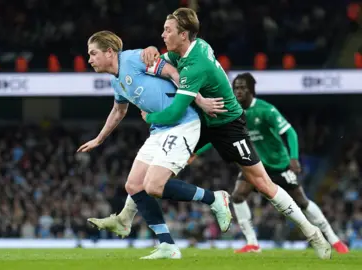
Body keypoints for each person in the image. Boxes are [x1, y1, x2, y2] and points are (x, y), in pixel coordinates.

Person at [126, 8, 331, 259]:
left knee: (263, 184)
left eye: (168, 30)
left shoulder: (195, 64)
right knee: (153, 166)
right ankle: (126, 218)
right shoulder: (192, 47)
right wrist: (150, 50)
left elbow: (174, 113)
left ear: (184, 35)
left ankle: (313, 234)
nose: (162, 34)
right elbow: (162, 62)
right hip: (201, 123)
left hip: (227, 125)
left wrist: (150, 117)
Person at [78, 30, 231, 259]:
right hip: (159, 130)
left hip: (182, 124)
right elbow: (119, 111)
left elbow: (172, 72)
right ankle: (167, 245)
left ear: (109, 52)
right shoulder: (116, 80)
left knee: (154, 187)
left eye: (93, 53)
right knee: (134, 186)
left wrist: (201, 101)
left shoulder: (132, 58)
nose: (90, 59)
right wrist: (99, 139)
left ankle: (215, 198)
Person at [195, 73, 349, 253]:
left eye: (242, 87)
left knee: (302, 201)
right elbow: (217, 135)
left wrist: (294, 157)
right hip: (254, 165)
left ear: (252, 90)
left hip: (279, 165)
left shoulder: (265, 110)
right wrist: (195, 152)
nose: (238, 91)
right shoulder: (232, 111)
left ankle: (333, 239)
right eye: (236, 87)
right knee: (237, 196)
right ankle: (252, 243)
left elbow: (290, 132)